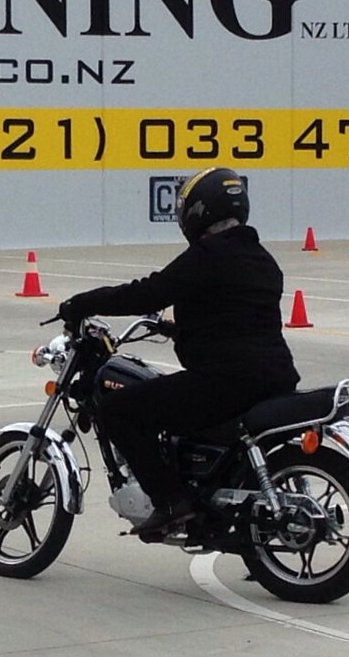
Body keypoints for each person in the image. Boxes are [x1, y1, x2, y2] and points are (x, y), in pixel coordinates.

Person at [55, 167, 300, 537]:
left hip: (226, 382)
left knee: (119, 411)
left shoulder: (208, 255)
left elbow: (148, 292)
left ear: (199, 210)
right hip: (276, 376)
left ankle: (171, 501)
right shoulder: (262, 259)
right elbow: (235, 318)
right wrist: (177, 329)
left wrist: (84, 302)